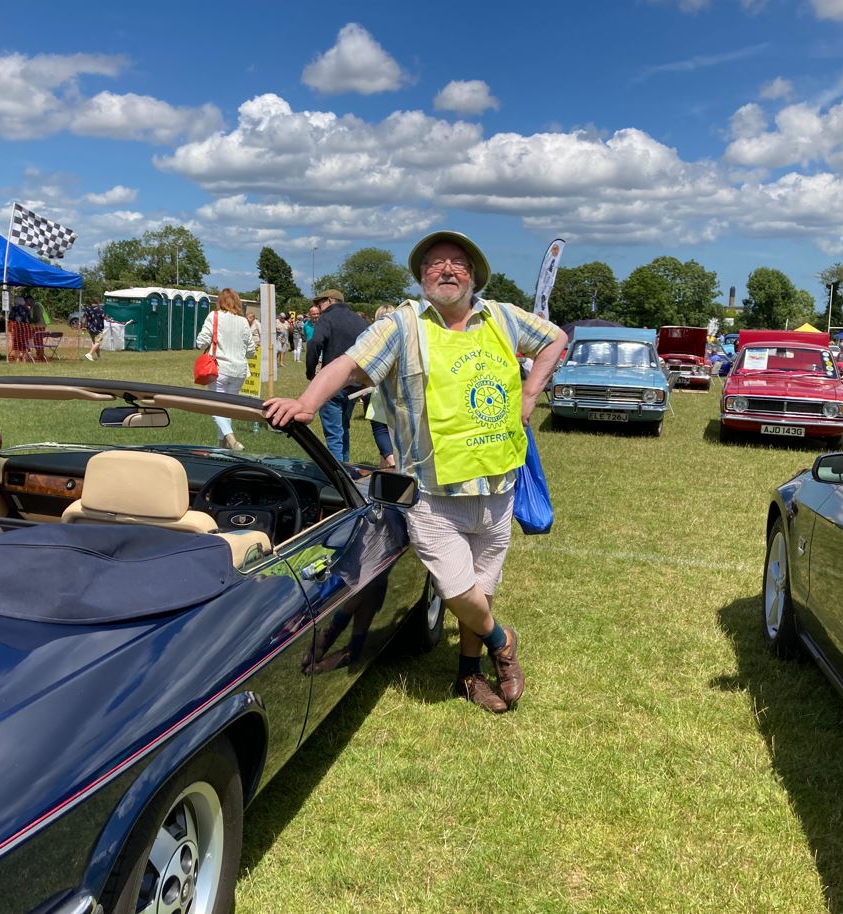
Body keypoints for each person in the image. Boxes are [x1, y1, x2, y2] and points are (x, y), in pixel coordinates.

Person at [266, 231, 568, 713]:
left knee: (482, 586)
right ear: (420, 276)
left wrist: (530, 395)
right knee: (456, 588)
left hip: (496, 485)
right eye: (434, 263)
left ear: (474, 275)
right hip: (431, 493)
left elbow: (556, 339)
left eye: (457, 263)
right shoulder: (402, 326)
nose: (445, 270)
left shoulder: (505, 318)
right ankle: (501, 639)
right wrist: (306, 402)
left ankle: (468, 675)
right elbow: (346, 365)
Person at [303, 288, 362, 463]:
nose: (318, 307)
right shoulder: (360, 321)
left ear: (329, 300)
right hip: (354, 384)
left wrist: (311, 372)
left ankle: (337, 475)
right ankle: (345, 466)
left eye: (319, 303)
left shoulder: (327, 318)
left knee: (334, 433)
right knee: (343, 428)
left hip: (332, 384)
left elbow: (314, 343)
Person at [195, 288, 257, 451]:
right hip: (239, 371)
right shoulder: (243, 321)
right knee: (226, 409)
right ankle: (221, 447)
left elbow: (201, 342)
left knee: (216, 406)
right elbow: (251, 350)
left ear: (220, 302)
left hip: (219, 369)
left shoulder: (214, 316)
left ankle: (231, 440)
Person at [367, 303, 396, 468]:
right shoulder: (408, 337)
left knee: (382, 430)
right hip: (401, 396)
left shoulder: (372, 338)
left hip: (381, 395)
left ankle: (392, 464)